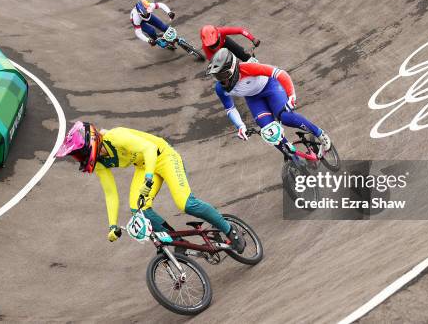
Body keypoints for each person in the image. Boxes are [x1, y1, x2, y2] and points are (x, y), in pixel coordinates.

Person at [56, 121, 245, 252]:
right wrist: (112, 225)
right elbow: (110, 193)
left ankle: (229, 229)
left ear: (91, 144)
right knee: (138, 209)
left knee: (185, 203)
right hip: (145, 167)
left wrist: (148, 178)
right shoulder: (99, 164)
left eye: (79, 155)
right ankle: (177, 241)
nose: (79, 160)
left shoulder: (116, 136)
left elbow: (148, 149)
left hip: (163, 156)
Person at [207, 48, 332, 156]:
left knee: (285, 117)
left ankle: (320, 134)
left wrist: (291, 96)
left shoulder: (248, 68)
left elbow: (280, 74)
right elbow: (230, 109)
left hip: (270, 88)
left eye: (223, 75)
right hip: (254, 99)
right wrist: (240, 126)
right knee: (268, 132)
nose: (222, 81)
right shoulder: (220, 88)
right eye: (217, 77)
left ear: (233, 69)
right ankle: (293, 159)